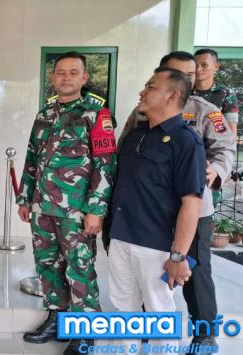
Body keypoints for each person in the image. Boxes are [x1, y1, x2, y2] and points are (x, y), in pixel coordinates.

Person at [118, 51, 235, 355]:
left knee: (195, 272)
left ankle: (205, 331)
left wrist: (215, 171)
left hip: (194, 206)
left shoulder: (206, 111)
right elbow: (128, 147)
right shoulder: (142, 114)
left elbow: (226, 149)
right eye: (178, 72)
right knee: (149, 280)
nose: (187, 78)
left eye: (191, 74)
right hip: (149, 209)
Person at [15, 51, 117, 355]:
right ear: (53, 77)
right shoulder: (44, 114)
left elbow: (106, 164)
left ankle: (85, 332)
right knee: (47, 266)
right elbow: (32, 157)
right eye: (61, 72)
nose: (66, 77)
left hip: (76, 210)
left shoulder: (98, 115)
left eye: (73, 72)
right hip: (42, 207)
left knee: (80, 268)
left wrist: (96, 210)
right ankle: (56, 318)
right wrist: (25, 197)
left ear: (84, 78)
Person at [108, 66, 206, 354]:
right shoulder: (136, 135)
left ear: (173, 95)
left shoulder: (186, 141)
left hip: (157, 245)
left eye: (151, 86)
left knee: (159, 313)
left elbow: (192, 202)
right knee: (123, 310)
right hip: (122, 236)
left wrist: (179, 255)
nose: (143, 91)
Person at [194, 48, 239, 137]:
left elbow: (231, 132)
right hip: (185, 145)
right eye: (195, 65)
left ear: (216, 67)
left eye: (204, 65)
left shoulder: (227, 93)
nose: (198, 69)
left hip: (214, 146)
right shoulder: (184, 91)